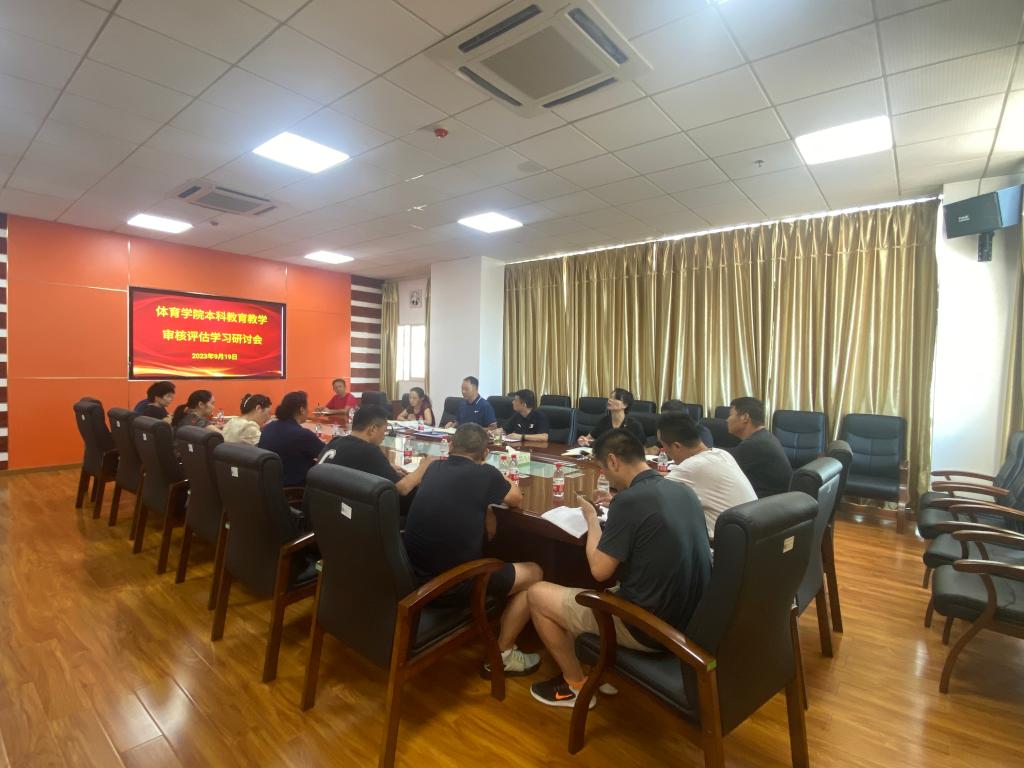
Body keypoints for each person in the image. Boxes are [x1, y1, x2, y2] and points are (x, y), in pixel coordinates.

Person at [527, 429, 711, 708]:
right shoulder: (681, 490)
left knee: (537, 594)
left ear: (613, 460)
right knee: (605, 588)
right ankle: (605, 669)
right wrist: (619, 504)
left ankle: (574, 686)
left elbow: (599, 570)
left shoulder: (630, 501)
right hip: (688, 619)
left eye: (603, 467)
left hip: (649, 628)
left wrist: (591, 518)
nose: (604, 474)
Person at [403, 423, 543, 675]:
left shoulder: (433, 468)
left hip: (415, 578)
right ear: (485, 453)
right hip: (451, 586)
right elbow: (515, 498)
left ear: (451, 446)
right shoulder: (486, 474)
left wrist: (486, 507)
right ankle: (503, 654)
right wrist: (495, 482)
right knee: (535, 572)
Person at [658, 412, 756, 539]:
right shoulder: (722, 454)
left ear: (677, 446)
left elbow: (652, 492)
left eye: (664, 446)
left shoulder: (691, 467)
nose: (665, 452)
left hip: (721, 545)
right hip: (750, 537)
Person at [318, 405, 434, 499]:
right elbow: (403, 488)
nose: (384, 436)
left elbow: (357, 464)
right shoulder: (368, 451)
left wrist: (386, 466)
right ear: (373, 429)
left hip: (322, 505)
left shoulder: (335, 441)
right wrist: (426, 464)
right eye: (384, 431)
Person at [726, 396, 793, 497]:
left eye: (731, 415)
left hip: (765, 503)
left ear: (745, 417)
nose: (727, 420)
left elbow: (723, 470)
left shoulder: (753, 445)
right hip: (776, 500)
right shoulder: (764, 436)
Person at [258, 391, 324, 486]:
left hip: (269, 484)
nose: (308, 411)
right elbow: (326, 454)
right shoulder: (303, 435)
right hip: (295, 488)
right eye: (307, 407)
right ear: (302, 409)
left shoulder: (268, 427)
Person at [576, 388, 645, 446]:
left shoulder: (634, 425)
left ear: (625, 405)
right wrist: (583, 441)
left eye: (616, 398)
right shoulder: (604, 421)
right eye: (611, 397)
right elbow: (589, 438)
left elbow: (642, 448)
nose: (610, 400)